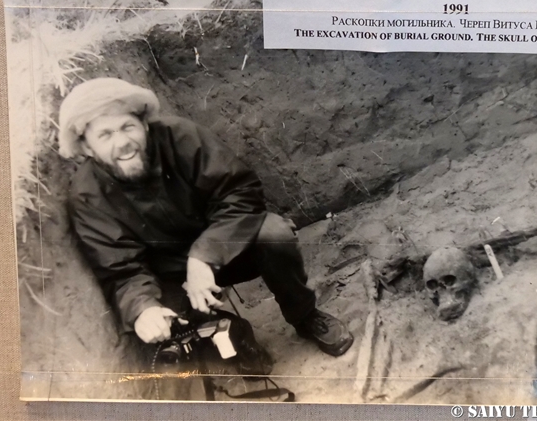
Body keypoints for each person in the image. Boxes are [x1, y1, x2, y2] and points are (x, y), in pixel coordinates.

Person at [59, 77, 354, 358]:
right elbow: (120, 270)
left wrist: (204, 256)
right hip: (172, 278)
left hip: (230, 251)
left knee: (273, 233)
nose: (122, 142)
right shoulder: (87, 196)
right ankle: (238, 340)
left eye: (127, 127)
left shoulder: (181, 137)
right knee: (167, 327)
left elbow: (241, 194)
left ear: (144, 125)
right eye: (105, 135)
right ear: (87, 147)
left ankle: (305, 316)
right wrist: (143, 308)